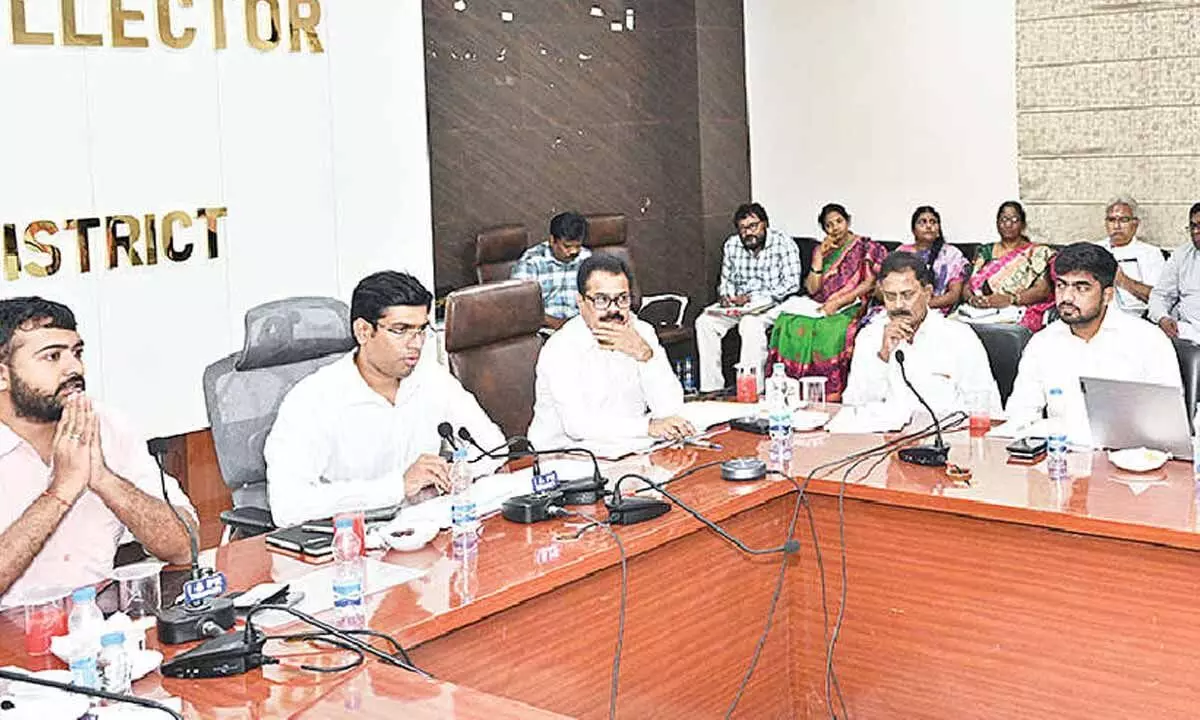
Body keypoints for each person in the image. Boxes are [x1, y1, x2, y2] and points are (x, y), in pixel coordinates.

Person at [265, 271, 506, 528]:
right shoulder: (313, 400)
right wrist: (398, 486)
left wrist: (455, 472)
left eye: (422, 330)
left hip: (427, 531)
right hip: (349, 544)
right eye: (401, 330)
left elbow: (494, 449)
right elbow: (287, 506)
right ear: (363, 331)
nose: (415, 344)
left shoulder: (430, 377)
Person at [0, 297, 195, 607]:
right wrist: (60, 492)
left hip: (99, 626)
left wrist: (104, 479)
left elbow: (185, 547)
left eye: (76, 353)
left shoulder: (106, 426)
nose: (74, 368)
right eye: (52, 357)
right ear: (3, 375)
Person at [1005, 243, 1180, 446]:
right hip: (1059, 463)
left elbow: (1169, 427)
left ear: (1107, 295)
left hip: (1130, 463)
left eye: (1081, 288)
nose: (1067, 297)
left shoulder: (1148, 341)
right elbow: (1020, 414)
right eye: (1061, 285)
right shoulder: (1042, 343)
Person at [529, 254, 694, 450]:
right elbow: (578, 427)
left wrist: (646, 357)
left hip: (629, 449)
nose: (614, 310)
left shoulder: (641, 332)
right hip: (566, 457)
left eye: (622, 299)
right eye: (601, 300)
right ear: (581, 302)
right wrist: (647, 427)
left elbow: (670, 410)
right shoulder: (561, 348)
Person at [843, 252, 1001, 422]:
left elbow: (987, 409)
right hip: (884, 439)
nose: (898, 305)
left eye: (907, 295)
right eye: (890, 296)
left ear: (927, 293)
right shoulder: (870, 336)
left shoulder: (959, 338)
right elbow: (853, 405)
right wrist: (882, 357)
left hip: (944, 440)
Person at [766, 203, 885, 400]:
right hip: (819, 304)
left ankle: (830, 392)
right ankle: (791, 390)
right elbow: (812, 289)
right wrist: (819, 257)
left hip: (852, 304)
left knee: (829, 330)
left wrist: (838, 303)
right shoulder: (822, 250)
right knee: (788, 322)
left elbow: (870, 284)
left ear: (848, 221)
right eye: (829, 225)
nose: (835, 228)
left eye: (839, 221)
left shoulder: (866, 247)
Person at [694, 203, 802, 393]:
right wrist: (727, 297)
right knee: (704, 322)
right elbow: (726, 280)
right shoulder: (732, 245)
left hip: (774, 303)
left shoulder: (784, 243)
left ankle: (752, 390)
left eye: (753, 226)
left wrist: (753, 297)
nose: (748, 233)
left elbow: (792, 283)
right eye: (743, 228)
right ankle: (711, 389)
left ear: (765, 224)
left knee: (750, 324)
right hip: (740, 305)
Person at [962, 201, 1056, 332]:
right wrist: (972, 299)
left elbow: (1042, 290)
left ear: (1023, 224)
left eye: (1014, 220)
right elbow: (968, 285)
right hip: (979, 311)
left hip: (1015, 309)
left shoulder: (1036, 253)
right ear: (997, 223)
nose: (1008, 224)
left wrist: (1010, 299)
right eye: (1004, 219)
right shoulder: (985, 251)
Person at [511, 211, 593, 330]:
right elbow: (520, 307)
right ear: (552, 240)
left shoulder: (586, 258)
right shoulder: (531, 262)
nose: (573, 252)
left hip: (583, 326)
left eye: (578, 246)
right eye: (567, 246)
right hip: (546, 329)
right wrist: (561, 325)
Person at [1093, 196, 1164, 317]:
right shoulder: (1094, 250)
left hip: (1136, 319)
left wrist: (1123, 280)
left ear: (1135, 224)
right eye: (1111, 220)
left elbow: (1159, 299)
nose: (1116, 225)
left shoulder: (1151, 254)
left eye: (1123, 220)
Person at [896, 206, 968, 314]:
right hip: (900, 308)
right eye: (922, 222)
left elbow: (953, 295)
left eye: (933, 222)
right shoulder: (901, 252)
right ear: (913, 230)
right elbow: (882, 286)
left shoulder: (951, 254)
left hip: (935, 311)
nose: (928, 226)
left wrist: (921, 306)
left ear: (938, 230)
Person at [1149, 202, 1200, 342]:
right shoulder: (1182, 255)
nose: (1195, 231)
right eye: (1193, 226)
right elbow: (1160, 295)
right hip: (1187, 334)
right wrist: (1163, 318)